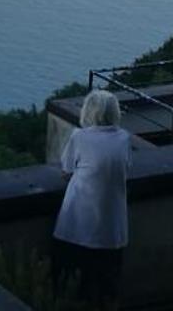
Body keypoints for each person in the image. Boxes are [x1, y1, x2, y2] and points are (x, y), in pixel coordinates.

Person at [53, 89, 133, 306]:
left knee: (74, 284)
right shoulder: (124, 138)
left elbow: (66, 170)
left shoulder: (79, 137)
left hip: (78, 220)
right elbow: (125, 168)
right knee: (107, 286)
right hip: (112, 224)